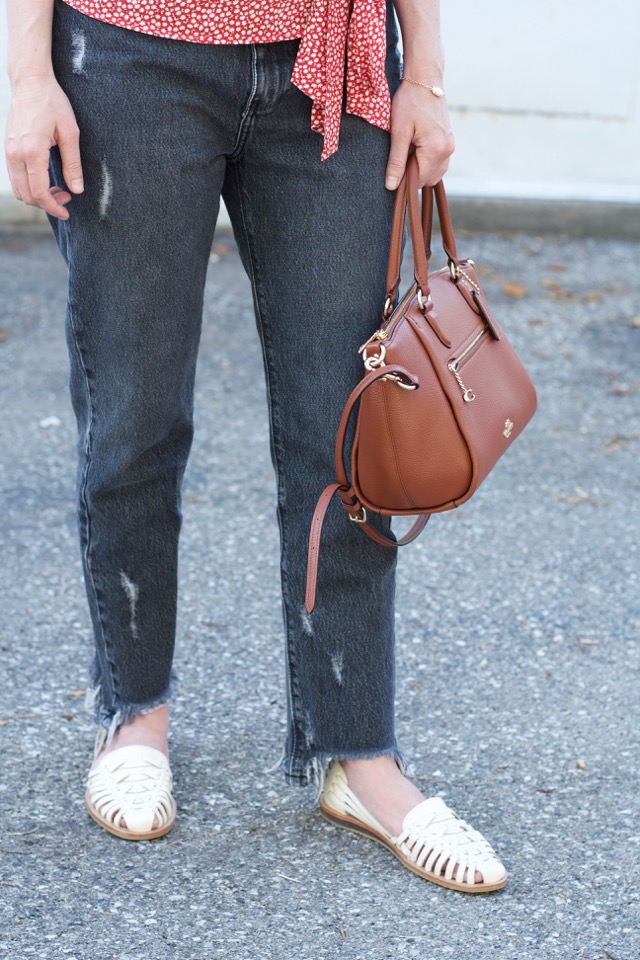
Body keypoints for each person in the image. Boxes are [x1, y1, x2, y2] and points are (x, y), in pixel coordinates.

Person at [5, 0, 507, 892]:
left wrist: (424, 73)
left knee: (348, 433)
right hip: (131, 54)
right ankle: (135, 718)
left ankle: (360, 756)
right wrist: (27, 76)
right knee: (135, 415)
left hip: (337, 57)